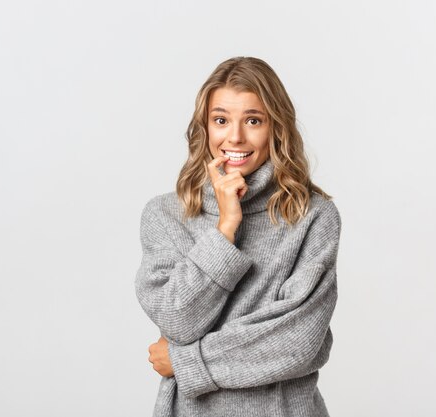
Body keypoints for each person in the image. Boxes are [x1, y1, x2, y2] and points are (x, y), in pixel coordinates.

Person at [134, 56, 342, 417]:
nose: (235, 137)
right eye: (221, 120)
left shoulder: (314, 216)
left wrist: (185, 360)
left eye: (253, 120)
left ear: (276, 127)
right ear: (205, 128)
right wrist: (226, 226)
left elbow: (298, 342)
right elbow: (178, 320)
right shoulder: (165, 215)